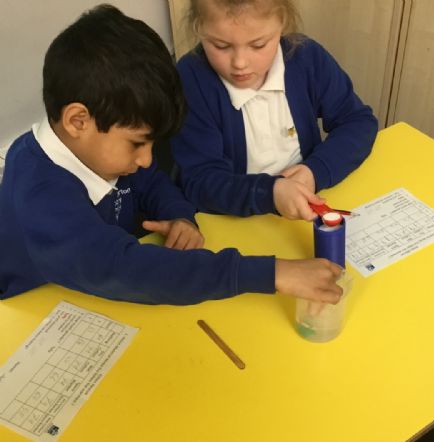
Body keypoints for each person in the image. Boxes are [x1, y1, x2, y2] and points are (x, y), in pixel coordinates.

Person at [0, 4, 343, 306]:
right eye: (137, 144)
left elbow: (152, 182)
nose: (147, 159)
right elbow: (126, 269)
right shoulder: (38, 193)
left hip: (99, 288)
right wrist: (272, 273)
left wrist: (179, 216)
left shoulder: (104, 148)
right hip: (36, 309)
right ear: (78, 121)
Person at [171, 0, 378, 220]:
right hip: (233, 221)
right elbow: (200, 181)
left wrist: (314, 171)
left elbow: (358, 121)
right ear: (199, 28)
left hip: (306, 208)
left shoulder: (307, 57)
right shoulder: (191, 79)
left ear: (282, 24)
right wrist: (269, 194)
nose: (240, 63)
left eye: (258, 45)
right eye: (221, 46)